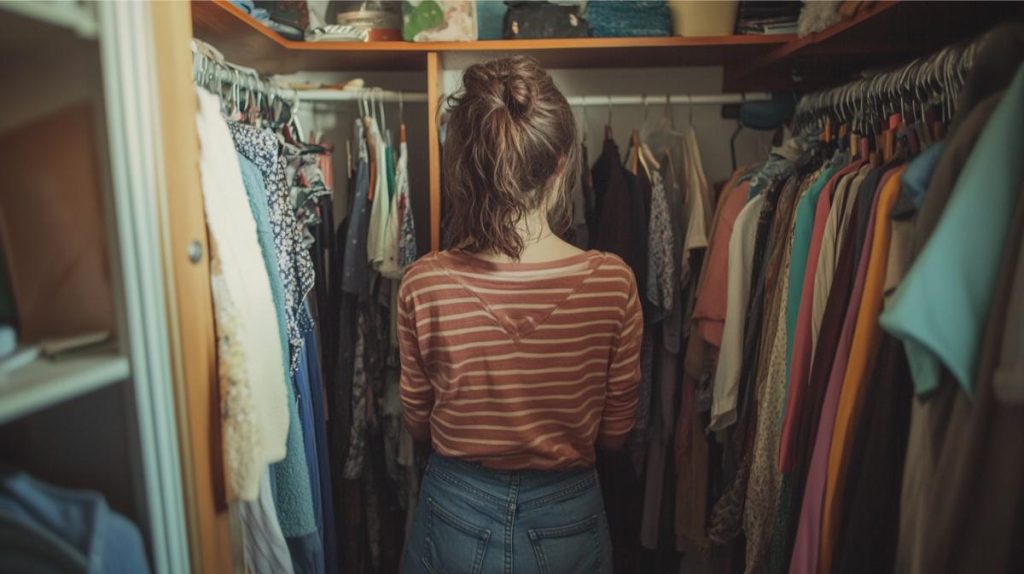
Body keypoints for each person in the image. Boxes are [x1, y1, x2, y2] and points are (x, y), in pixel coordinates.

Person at [398, 55, 643, 574]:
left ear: (463, 166)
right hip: (568, 512)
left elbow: (417, 424)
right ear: (561, 165)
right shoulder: (612, 283)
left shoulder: (423, 283)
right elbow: (616, 434)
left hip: (455, 508)